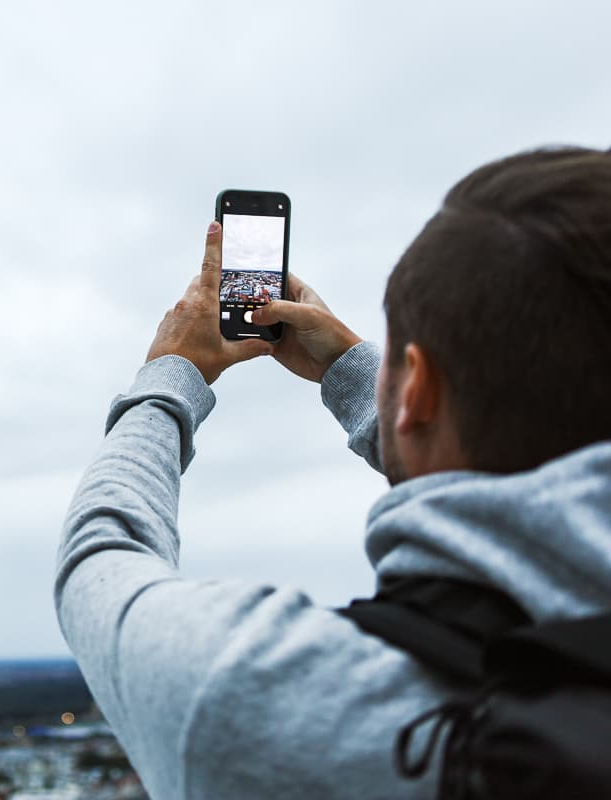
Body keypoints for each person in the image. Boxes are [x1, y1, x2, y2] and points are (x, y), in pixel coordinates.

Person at [54, 146, 611, 799]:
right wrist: (367, 380)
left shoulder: (258, 691)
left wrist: (170, 375)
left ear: (418, 389)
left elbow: (102, 556)